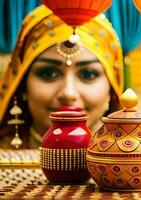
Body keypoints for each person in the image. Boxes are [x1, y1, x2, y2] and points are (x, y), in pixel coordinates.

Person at [0, 5, 124, 149]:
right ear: (22, 86)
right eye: (48, 73)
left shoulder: (135, 166)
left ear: (112, 89)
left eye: (88, 74)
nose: (68, 93)